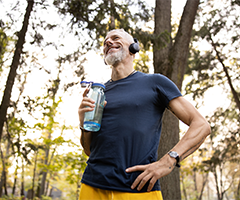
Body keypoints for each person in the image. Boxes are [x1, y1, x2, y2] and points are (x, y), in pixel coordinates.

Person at [78, 29, 211, 200]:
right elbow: (89, 150)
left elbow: (201, 125)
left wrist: (168, 161)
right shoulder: (99, 93)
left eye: (115, 38)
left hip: (138, 188)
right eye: (105, 42)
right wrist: (84, 124)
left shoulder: (154, 83)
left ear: (133, 47)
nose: (108, 42)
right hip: (92, 186)